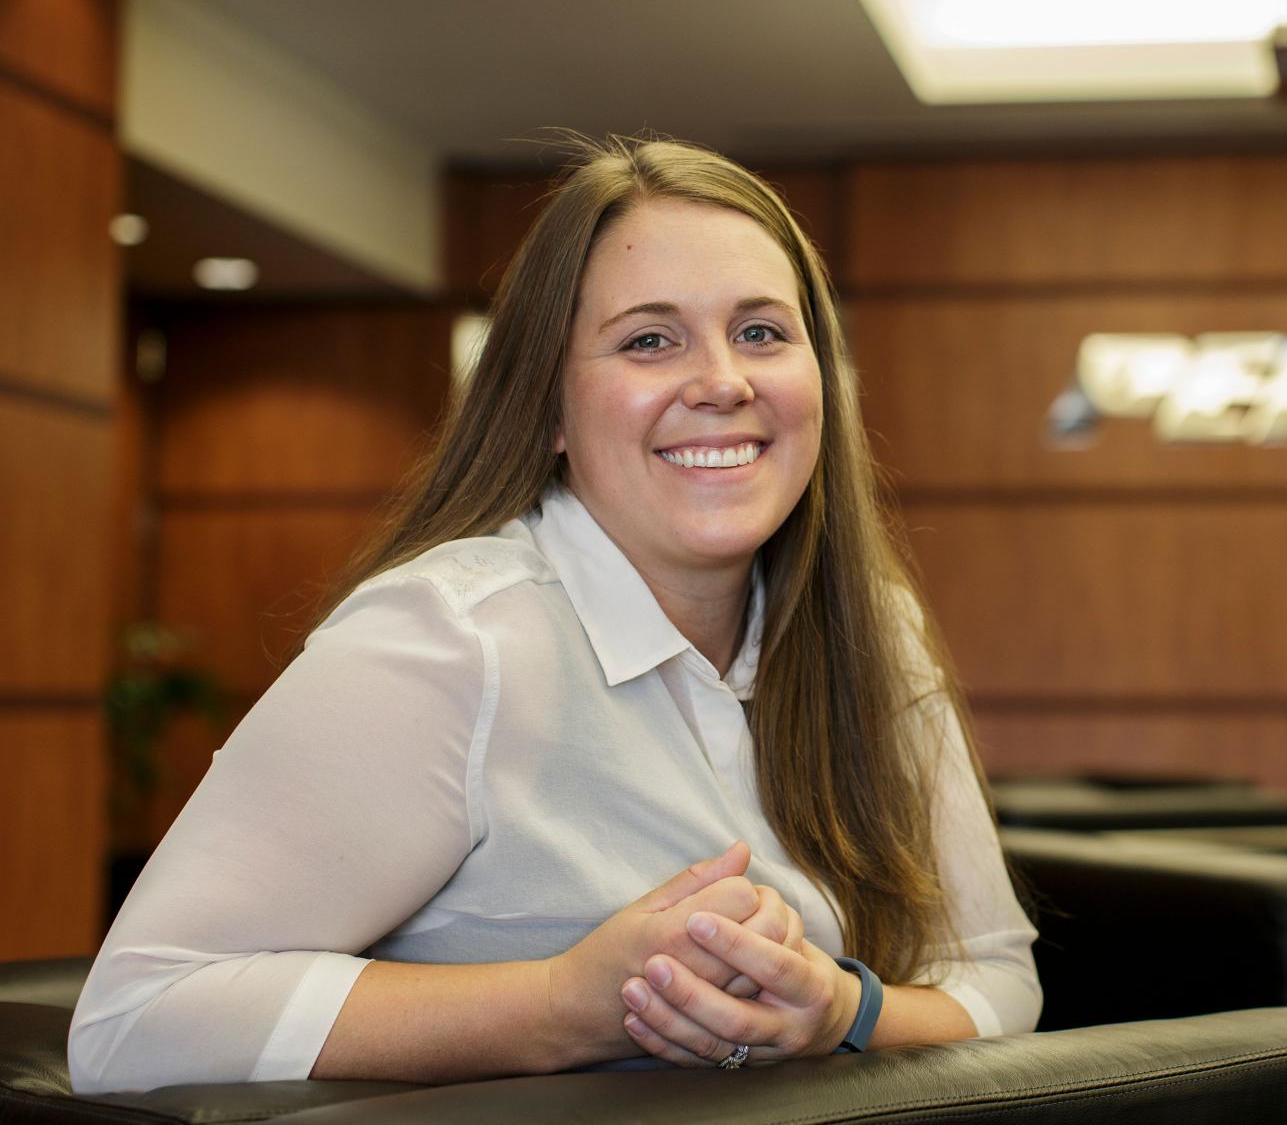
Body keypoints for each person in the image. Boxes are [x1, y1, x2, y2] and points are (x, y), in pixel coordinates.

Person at [68, 136, 1041, 1093]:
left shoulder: (875, 628)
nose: (723, 381)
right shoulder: (452, 637)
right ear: (550, 410)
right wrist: (560, 1004)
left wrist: (843, 1012)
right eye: (649, 339)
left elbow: (997, 976)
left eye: (761, 332)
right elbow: (135, 1016)